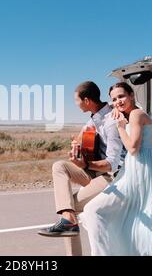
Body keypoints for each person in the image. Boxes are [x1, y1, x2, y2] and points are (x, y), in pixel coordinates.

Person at [81, 82, 152, 256]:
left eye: (121, 96)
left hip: (140, 169)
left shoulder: (136, 115)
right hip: (136, 167)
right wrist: (116, 111)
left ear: (132, 95)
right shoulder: (130, 113)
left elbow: (132, 148)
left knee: (93, 210)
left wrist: (120, 127)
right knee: (126, 218)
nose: (117, 101)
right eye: (114, 99)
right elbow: (108, 109)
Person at [38, 81, 124, 256]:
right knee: (60, 166)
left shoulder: (110, 121)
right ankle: (68, 220)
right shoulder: (94, 119)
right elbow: (83, 138)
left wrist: (86, 164)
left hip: (112, 176)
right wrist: (77, 146)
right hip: (94, 172)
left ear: (86, 100)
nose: (75, 104)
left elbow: (112, 163)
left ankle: (69, 223)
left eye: (76, 100)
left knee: (71, 208)